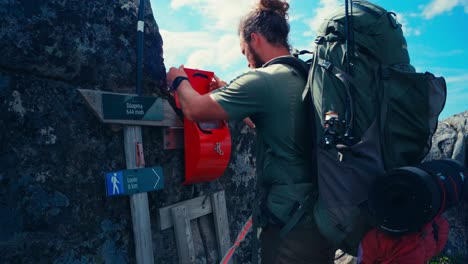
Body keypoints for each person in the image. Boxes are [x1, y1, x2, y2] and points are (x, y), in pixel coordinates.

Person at [165, 0, 335, 263]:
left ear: (254, 39)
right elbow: (274, 124)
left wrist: (177, 79)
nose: (246, 62)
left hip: (288, 225)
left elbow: (195, 109)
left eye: (244, 51)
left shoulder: (263, 80)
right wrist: (230, 95)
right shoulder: (306, 74)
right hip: (321, 217)